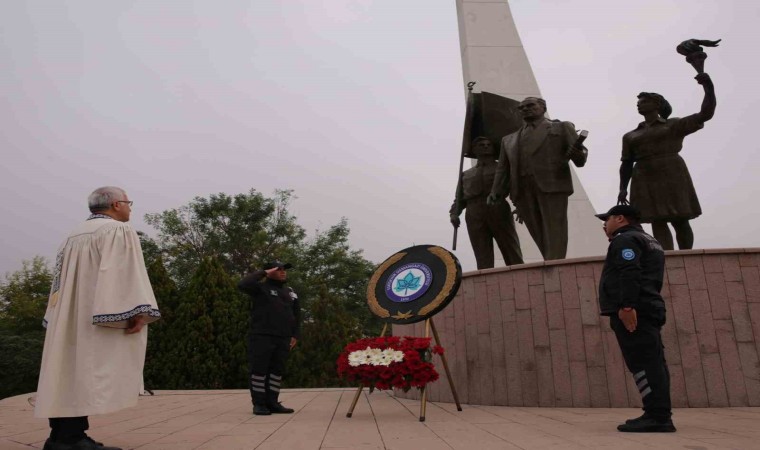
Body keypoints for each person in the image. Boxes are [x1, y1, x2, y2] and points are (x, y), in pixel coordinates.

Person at [35, 187, 161, 450]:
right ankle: (72, 438)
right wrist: (137, 312)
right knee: (84, 373)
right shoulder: (117, 230)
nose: (130, 208)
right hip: (94, 313)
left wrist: (56, 315)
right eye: (128, 203)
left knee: (65, 371)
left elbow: (57, 283)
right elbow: (121, 273)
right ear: (116, 204)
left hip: (68, 315)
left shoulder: (72, 235)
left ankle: (59, 437)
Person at [595, 204, 675, 433]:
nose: (604, 224)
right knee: (654, 363)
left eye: (607, 219)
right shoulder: (649, 239)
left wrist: (627, 306)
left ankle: (658, 417)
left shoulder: (626, 240)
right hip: (649, 307)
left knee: (642, 363)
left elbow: (629, 272)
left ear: (620, 218)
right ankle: (658, 413)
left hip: (636, 310)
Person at [617, 72, 716, 250]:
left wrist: (708, 87)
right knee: (657, 219)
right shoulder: (631, 135)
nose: (639, 105)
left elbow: (705, 114)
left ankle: (687, 254)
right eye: (638, 103)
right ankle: (666, 255)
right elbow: (626, 163)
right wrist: (622, 188)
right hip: (644, 175)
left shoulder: (673, 125)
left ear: (657, 104)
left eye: (644, 101)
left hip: (672, 171)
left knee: (680, 218)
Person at [487, 97, 587, 260]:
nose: (525, 109)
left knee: (554, 228)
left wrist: (577, 154)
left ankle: (555, 264)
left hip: (551, 185)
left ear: (543, 107)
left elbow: (580, 159)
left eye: (530, 105)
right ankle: (550, 260)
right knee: (537, 231)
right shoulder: (509, 139)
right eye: (521, 108)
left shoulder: (561, 127)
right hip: (522, 189)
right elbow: (503, 169)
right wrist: (496, 191)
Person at [238, 261, 301, 415]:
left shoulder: (290, 292)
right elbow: (243, 284)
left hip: (283, 338)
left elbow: (297, 315)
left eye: (284, 269)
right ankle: (259, 404)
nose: (283, 272)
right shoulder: (260, 288)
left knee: (276, 372)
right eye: (278, 269)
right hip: (262, 336)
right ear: (270, 271)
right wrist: (263, 272)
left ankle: (272, 402)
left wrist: (295, 335)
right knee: (259, 371)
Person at [450, 136, 523, 269]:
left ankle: (520, 274)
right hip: (474, 212)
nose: (485, 146)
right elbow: (459, 198)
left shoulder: (502, 169)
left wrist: (520, 206)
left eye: (488, 144)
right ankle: (485, 279)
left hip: (497, 207)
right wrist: (454, 213)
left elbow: (515, 188)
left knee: (510, 246)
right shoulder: (466, 174)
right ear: (473, 150)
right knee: (481, 252)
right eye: (481, 145)